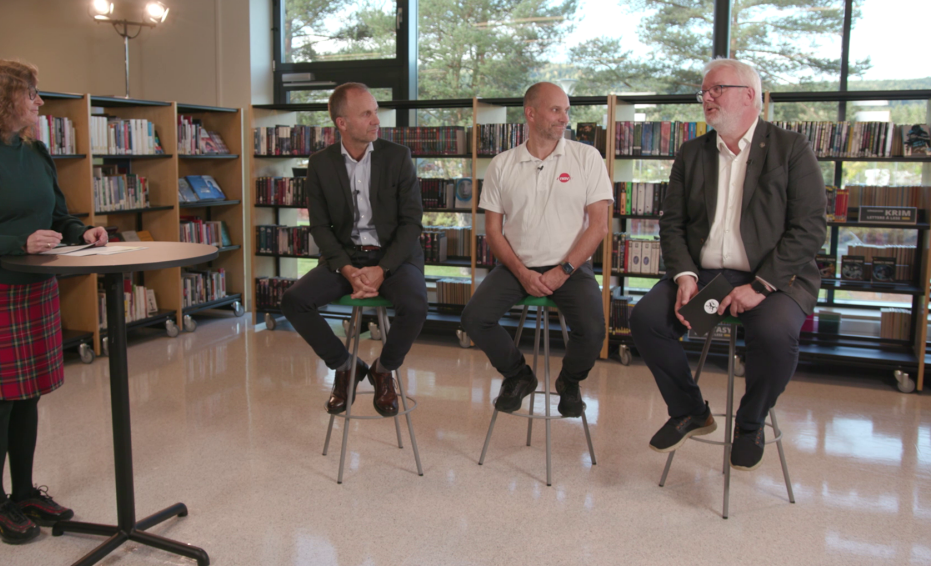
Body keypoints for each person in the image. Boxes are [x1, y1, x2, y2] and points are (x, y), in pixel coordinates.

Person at [0, 60, 109, 544]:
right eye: (32, 94)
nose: (39, 103)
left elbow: (57, 214)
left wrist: (83, 231)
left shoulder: (36, 153)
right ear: (3, 99)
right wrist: (19, 242)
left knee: (28, 392)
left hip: (36, 285)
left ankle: (26, 491)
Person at [629, 58, 826, 471]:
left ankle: (750, 422)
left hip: (774, 277)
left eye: (717, 89)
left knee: (773, 335)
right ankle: (690, 411)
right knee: (648, 319)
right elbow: (673, 224)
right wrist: (684, 275)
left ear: (750, 95)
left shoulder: (791, 149)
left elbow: (809, 229)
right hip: (708, 279)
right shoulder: (692, 153)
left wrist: (760, 286)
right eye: (704, 91)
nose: (707, 97)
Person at [460, 82, 613, 417]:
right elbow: (493, 231)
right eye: (556, 110)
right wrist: (522, 273)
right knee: (474, 318)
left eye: (566, 110)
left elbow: (599, 225)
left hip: (571, 268)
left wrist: (564, 271)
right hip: (517, 267)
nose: (564, 118)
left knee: (593, 331)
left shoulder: (587, 157)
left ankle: (569, 382)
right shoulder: (502, 164)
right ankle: (518, 375)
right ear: (531, 113)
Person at [281, 82, 427, 417]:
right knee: (294, 301)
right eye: (366, 114)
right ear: (342, 123)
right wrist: (348, 269)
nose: (376, 120)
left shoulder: (397, 156)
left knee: (416, 304)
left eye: (375, 111)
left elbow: (411, 223)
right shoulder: (320, 164)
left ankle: (383, 369)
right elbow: (320, 226)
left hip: (394, 257)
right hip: (346, 258)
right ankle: (345, 366)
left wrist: (382, 269)